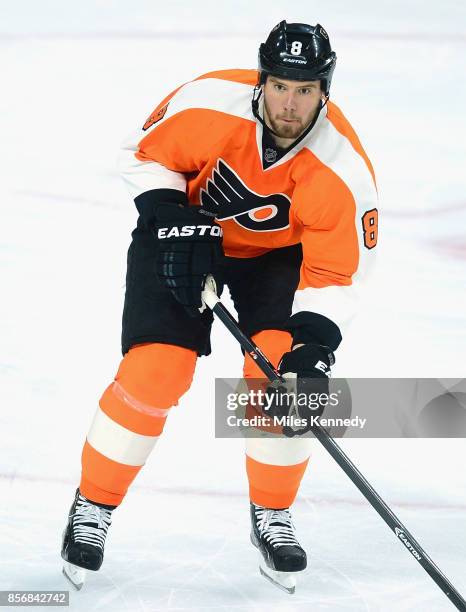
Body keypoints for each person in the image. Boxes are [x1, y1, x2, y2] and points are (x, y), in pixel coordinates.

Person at [61, 20, 378, 592]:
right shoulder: (208, 103)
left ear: (324, 92)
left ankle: (273, 514)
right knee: (156, 370)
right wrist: (169, 214)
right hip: (185, 233)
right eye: (281, 85)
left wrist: (314, 350)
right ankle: (94, 505)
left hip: (277, 260)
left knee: (283, 381)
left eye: (305, 90)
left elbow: (334, 271)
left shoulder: (344, 170)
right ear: (262, 79)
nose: (289, 103)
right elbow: (144, 155)